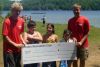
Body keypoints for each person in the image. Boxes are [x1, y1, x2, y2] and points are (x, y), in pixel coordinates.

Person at [2, 2, 25, 67]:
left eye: (19, 11)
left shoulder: (22, 21)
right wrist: (15, 44)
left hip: (18, 49)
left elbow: (20, 34)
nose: (18, 12)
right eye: (16, 10)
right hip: (9, 50)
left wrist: (23, 41)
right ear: (12, 10)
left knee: (18, 65)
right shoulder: (7, 21)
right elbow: (5, 37)